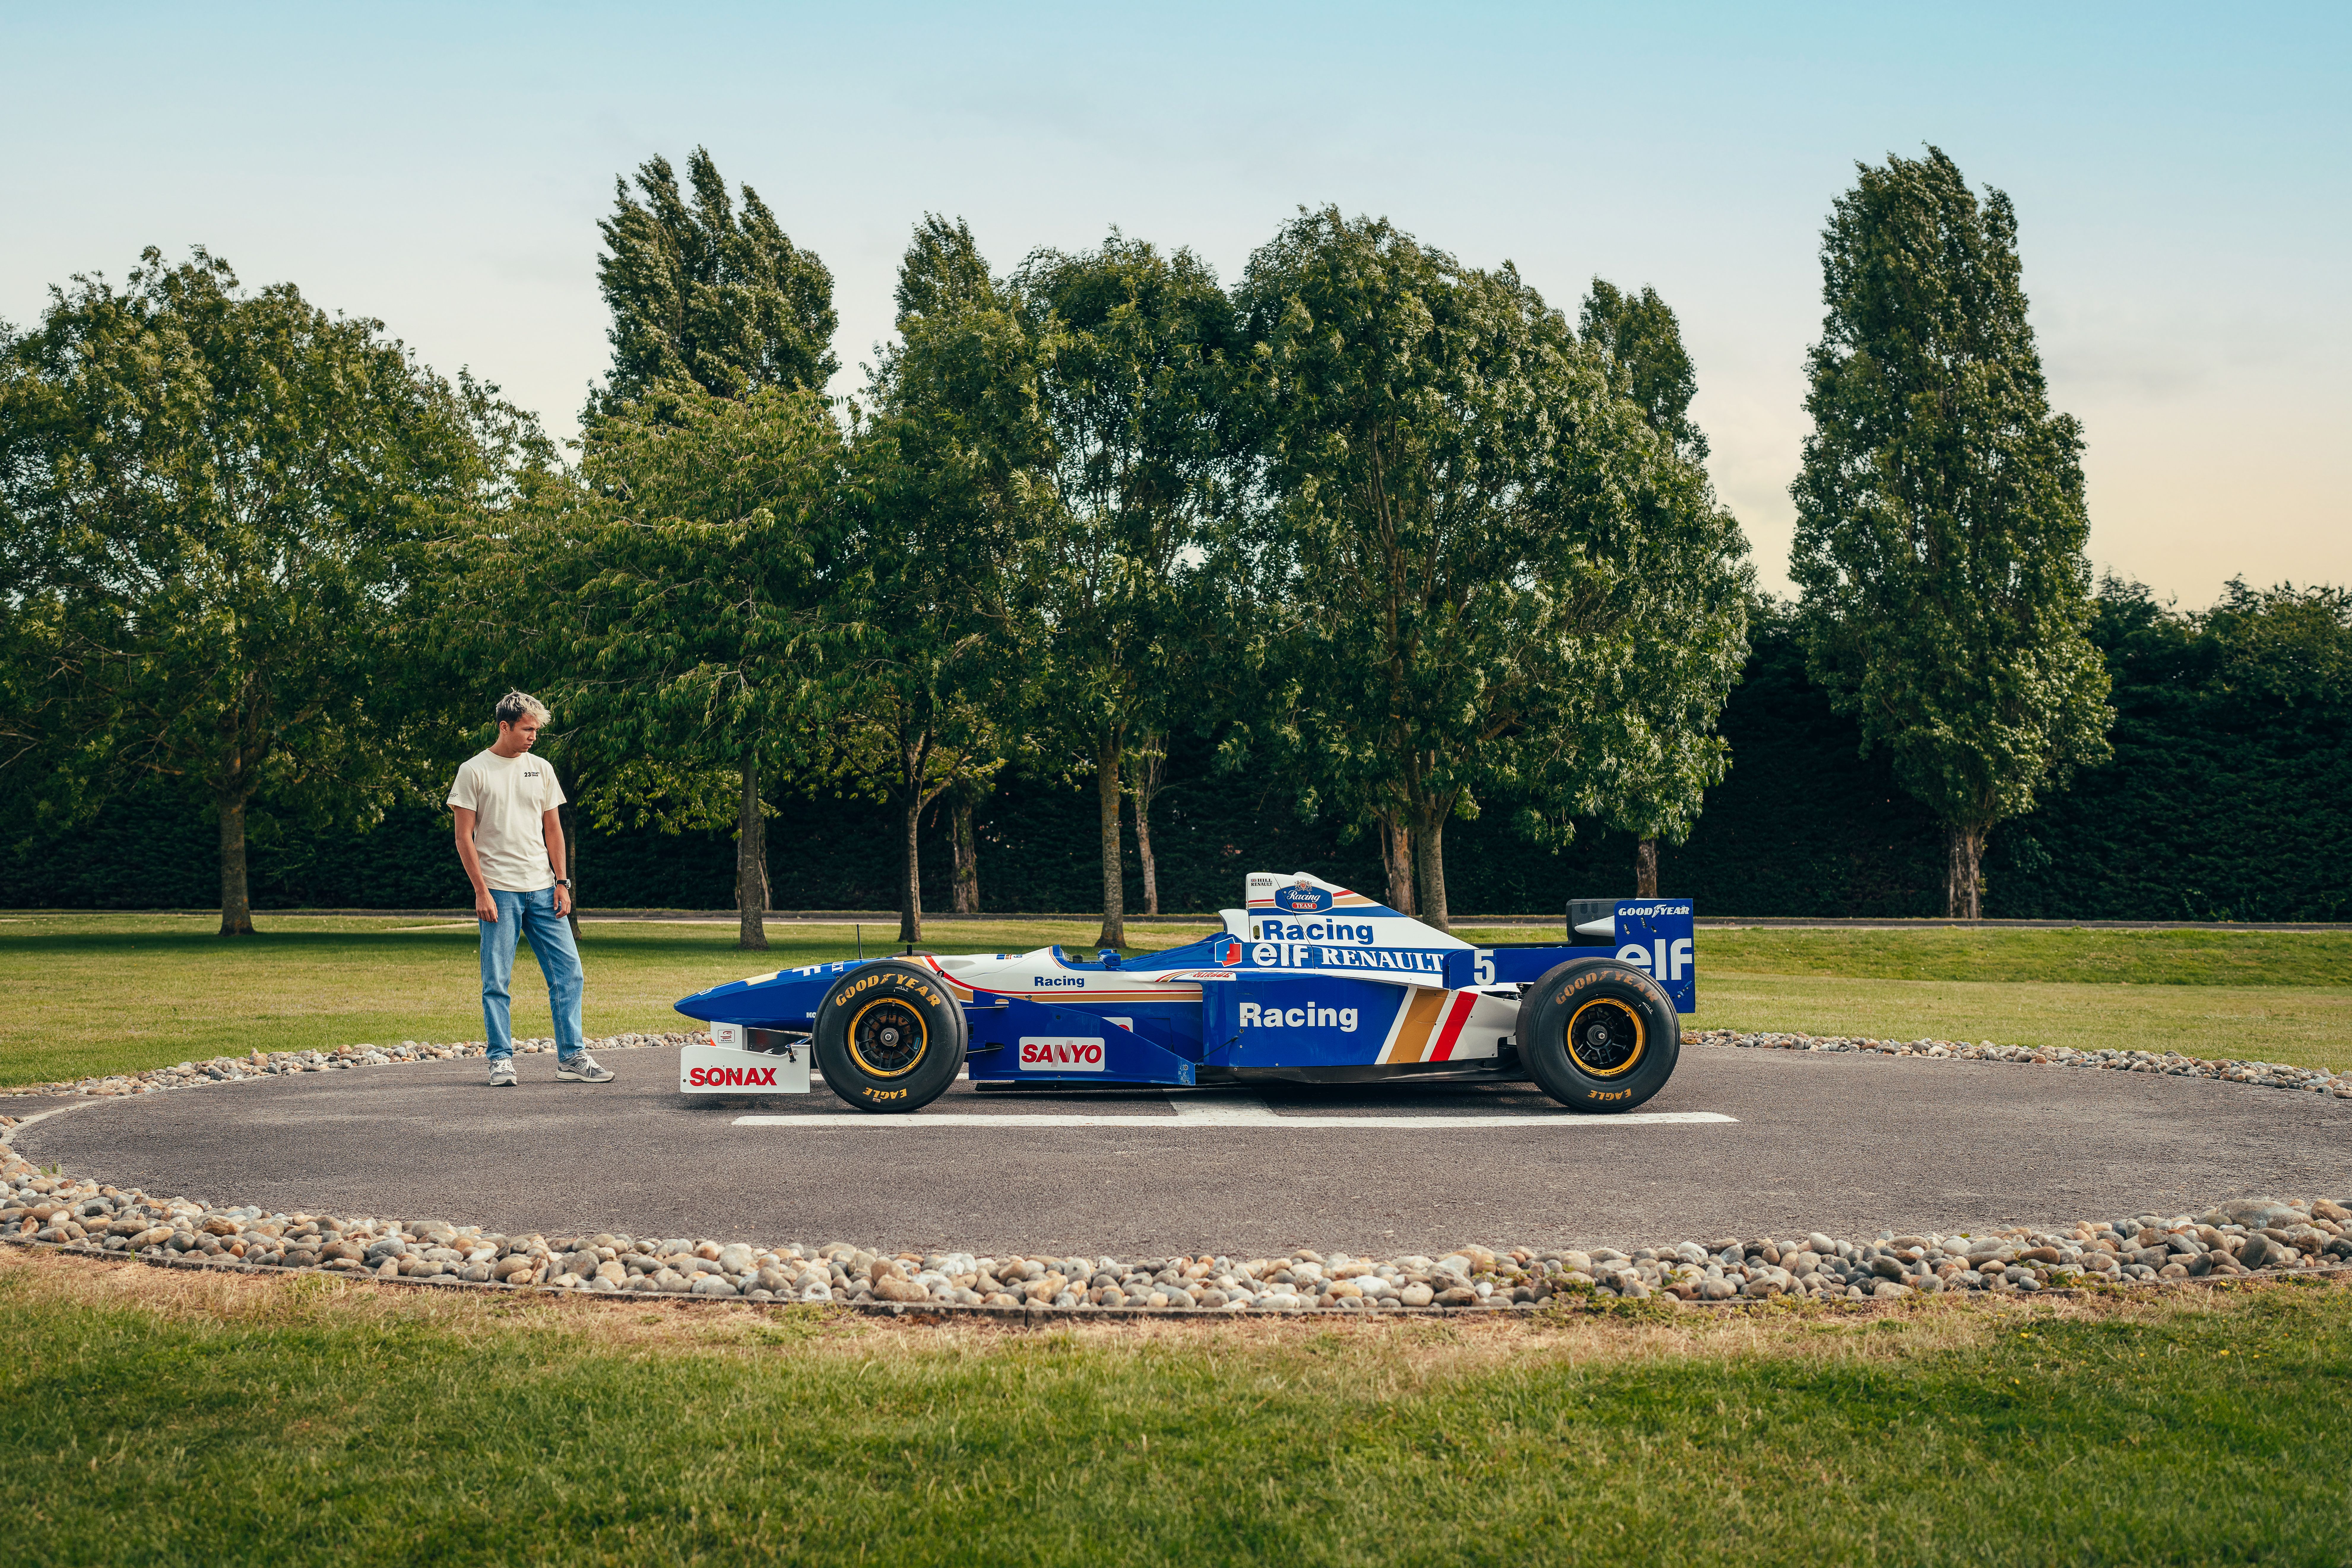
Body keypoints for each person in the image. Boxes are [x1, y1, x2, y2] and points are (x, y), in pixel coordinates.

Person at [447, 691, 612, 1086]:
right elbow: (463, 838)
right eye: (527, 729)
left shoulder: (541, 768)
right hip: (500, 892)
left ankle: (571, 1058)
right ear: (504, 727)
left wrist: (562, 882)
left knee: (569, 974)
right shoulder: (474, 771)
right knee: (497, 981)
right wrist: (481, 891)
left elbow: (553, 828)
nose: (533, 737)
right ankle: (501, 1060)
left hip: (543, 889)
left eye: (537, 730)